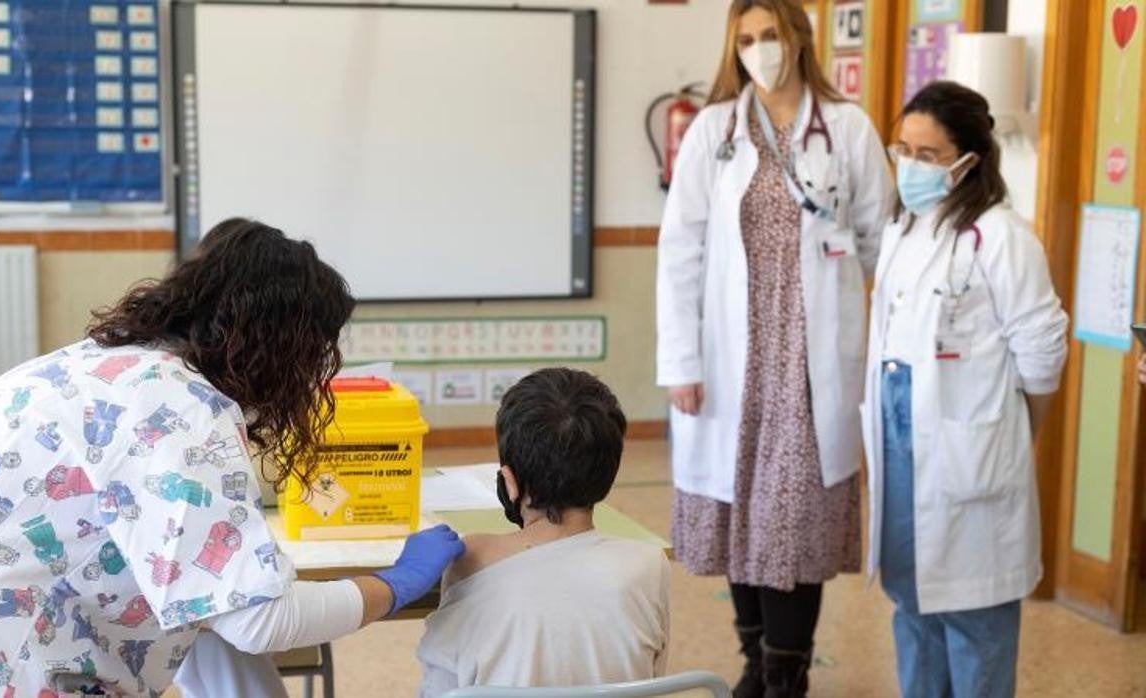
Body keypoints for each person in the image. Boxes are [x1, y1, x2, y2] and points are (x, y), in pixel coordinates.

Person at [0, 219, 465, 697]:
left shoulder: (103, 363)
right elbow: (262, 620)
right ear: (281, 345)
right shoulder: (184, 408)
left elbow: (200, 604)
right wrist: (393, 584)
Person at [654, 1, 892, 695]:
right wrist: (680, 363)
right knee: (736, 512)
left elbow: (882, 245)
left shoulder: (847, 128)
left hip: (814, 363)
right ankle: (755, 658)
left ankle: (788, 671)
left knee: (793, 520)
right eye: (747, 38)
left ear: (799, 38)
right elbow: (680, 254)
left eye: (771, 34)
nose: (760, 49)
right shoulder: (713, 131)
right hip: (731, 357)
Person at [862, 81, 1068, 697]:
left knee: (975, 627)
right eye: (903, 148)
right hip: (902, 452)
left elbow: (1043, 354)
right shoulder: (903, 229)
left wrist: (1011, 435)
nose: (910, 165)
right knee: (913, 607)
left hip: (972, 460)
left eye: (927, 155)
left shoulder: (1001, 237)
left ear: (967, 161)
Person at [416, 368, 670, 696]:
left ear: (509, 483)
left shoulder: (470, 558)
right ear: (608, 474)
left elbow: (439, 688)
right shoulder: (650, 563)